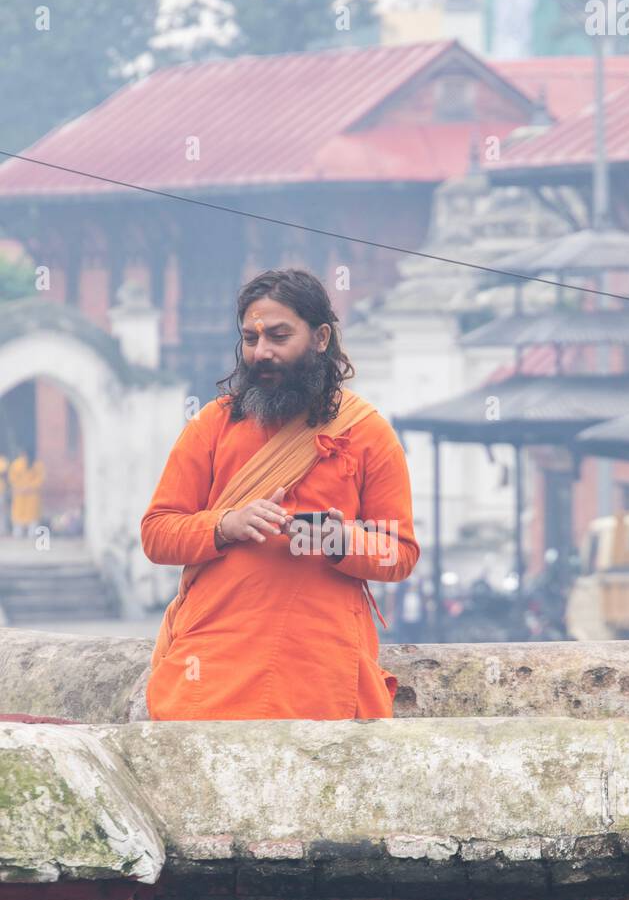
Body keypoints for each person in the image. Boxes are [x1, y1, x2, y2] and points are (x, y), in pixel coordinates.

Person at [141, 268, 421, 721]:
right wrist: (224, 525)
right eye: (251, 339)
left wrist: (341, 540)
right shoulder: (212, 426)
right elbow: (156, 534)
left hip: (320, 666)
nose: (262, 353)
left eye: (279, 336)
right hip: (214, 662)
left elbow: (400, 553)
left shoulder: (368, 433)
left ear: (321, 337)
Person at [9, 453, 45, 537]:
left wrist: (24, 487)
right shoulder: (17, 464)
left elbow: (40, 479)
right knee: (20, 516)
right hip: (23, 494)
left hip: (29, 494)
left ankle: (26, 534)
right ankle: (21, 534)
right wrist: (26, 487)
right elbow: (12, 478)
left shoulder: (36, 465)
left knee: (31, 516)